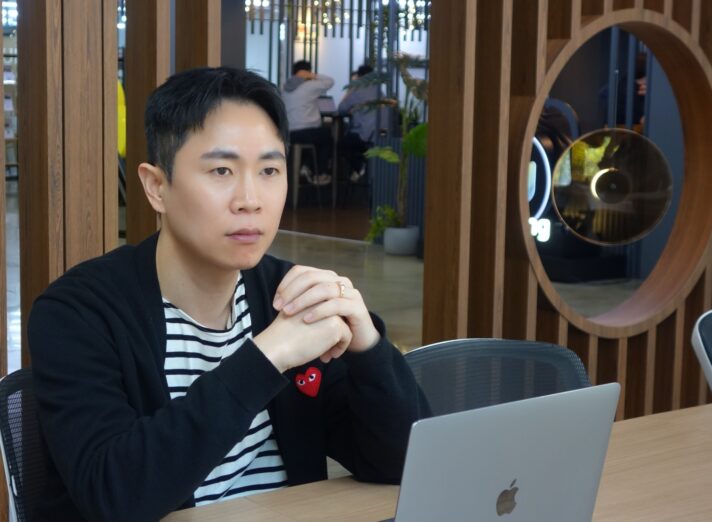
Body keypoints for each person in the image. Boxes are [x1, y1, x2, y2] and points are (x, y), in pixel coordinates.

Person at [28, 67, 429, 521]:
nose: (250, 199)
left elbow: (400, 463)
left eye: (270, 170)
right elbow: (115, 496)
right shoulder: (78, 313)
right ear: (157, 187)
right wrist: (267, 357)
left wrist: (368, 347)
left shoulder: (289, 296)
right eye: (221, 170)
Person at [282, 60, 334, 185]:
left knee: (314, 139)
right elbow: (330, 81)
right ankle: (320, 173)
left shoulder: (285, 87)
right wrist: (313, 75)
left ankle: (305, 166)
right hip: (306, 132)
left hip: (289, 134)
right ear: (307, 72)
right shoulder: (310, 86)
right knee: (326, 137)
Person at [338, 64, 386, 183]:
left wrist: (351, 89)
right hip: (381, 134)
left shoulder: (358, 90)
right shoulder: (379, 90)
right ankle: (363, 165)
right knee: (356, 144)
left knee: (341, 145)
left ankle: (359, 166)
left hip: (365, 135)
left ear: (359, 77)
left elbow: (341, 109)